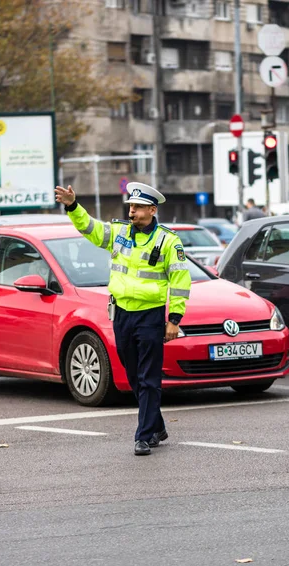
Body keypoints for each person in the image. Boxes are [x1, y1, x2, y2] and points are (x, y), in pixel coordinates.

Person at [55, 182, 191, 456]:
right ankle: (157, 426)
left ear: (152, 210)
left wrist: (174, 319)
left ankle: (143, 436)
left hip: (150, 316)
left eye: (139, 207)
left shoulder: (168, 241)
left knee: (149, 378)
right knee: (133, 377)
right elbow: (90, 228)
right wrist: (72, 206)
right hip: (122, 315)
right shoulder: (119, 233)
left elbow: (180, 281)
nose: (132, 212)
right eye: (131, 206)